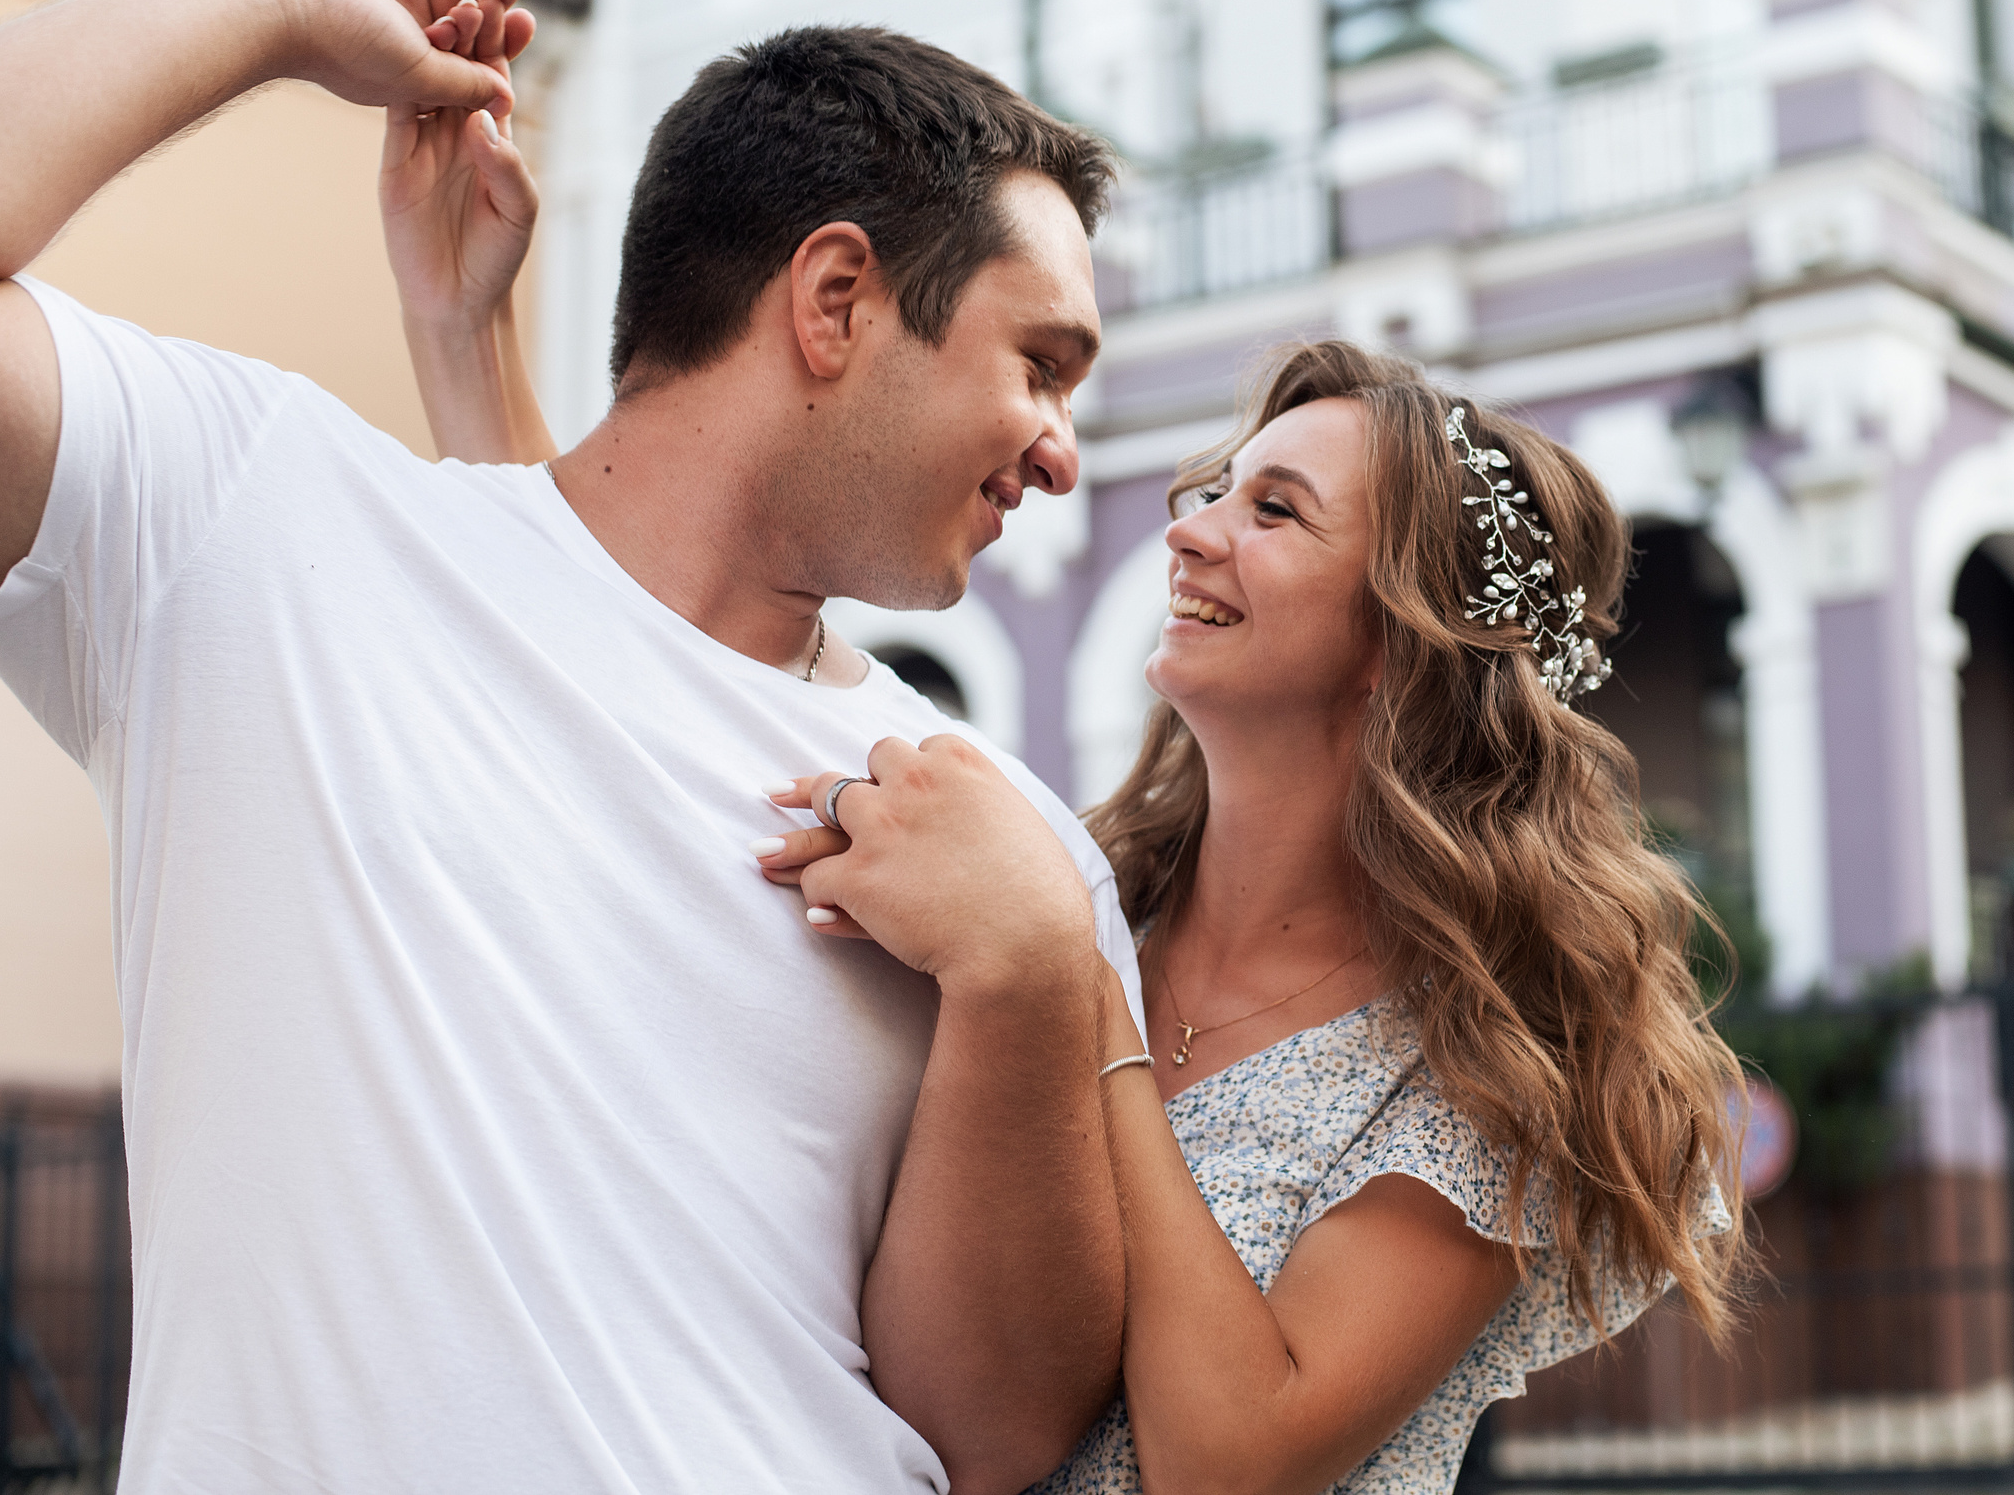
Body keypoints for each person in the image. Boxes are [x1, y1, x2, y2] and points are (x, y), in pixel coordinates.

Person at [401, 83, 1751, 1481]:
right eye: (1220, 485)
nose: (1193, 530)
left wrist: (1064, 977)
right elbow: (666, 685)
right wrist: (461, 334)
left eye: (1273, 510)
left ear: (1398, 647)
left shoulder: (1478, 1066)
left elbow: (1229, 1457)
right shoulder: (1073, 876)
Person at [0, 0, 1144, 1495]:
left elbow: (997, 1436)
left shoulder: (1009, 853)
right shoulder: (247, 522)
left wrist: (1025, 978)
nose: (1061, 447)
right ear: (835, 301)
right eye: (1044, 363)